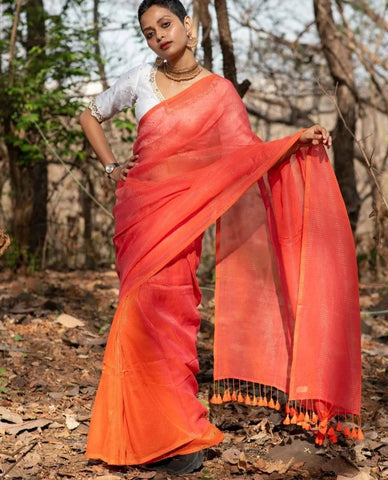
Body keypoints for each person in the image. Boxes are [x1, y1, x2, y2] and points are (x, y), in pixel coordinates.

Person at [80, 0, 361, 474]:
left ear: (188, 26)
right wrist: (111, 166)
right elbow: (90, 112)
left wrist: (296, 142)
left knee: (176, 317)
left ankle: (179, 434)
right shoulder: (138, 79)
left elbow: (244, 156)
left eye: (165, 24)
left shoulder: (220, 93)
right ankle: (138, 434)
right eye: (148, 32)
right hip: (140, 214)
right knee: (136, 316)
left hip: (184, 220)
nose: (158, 37)